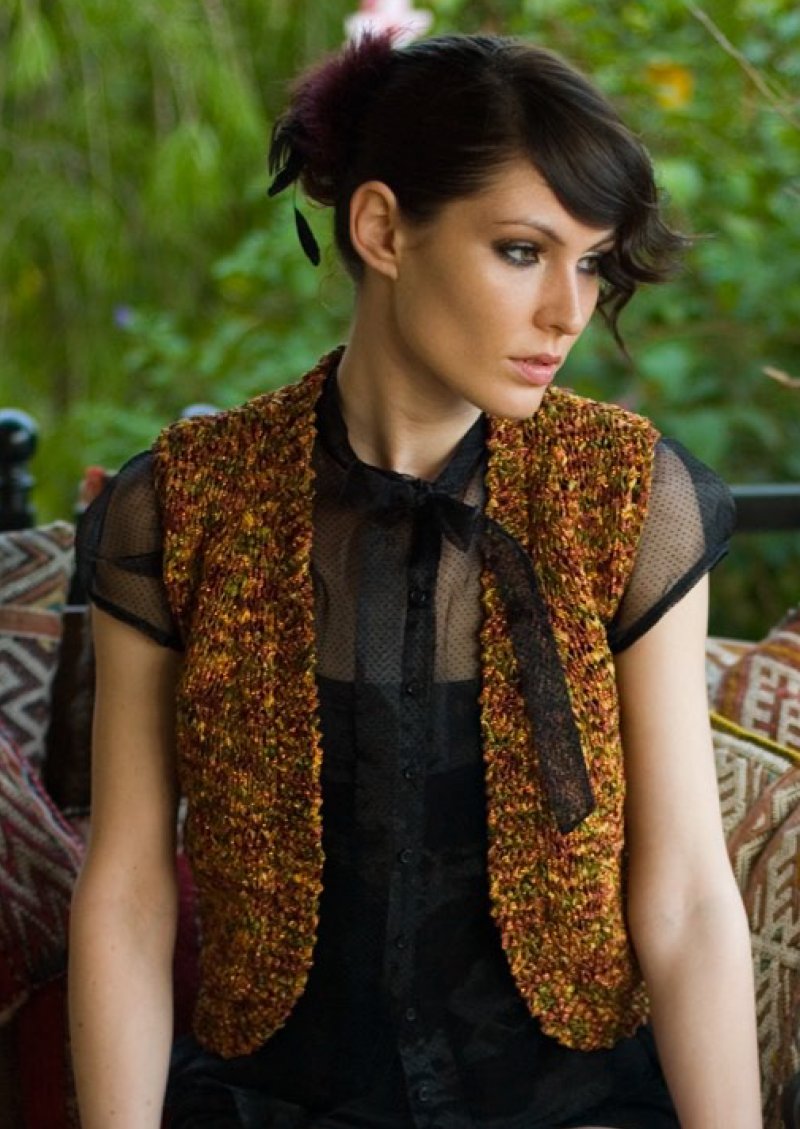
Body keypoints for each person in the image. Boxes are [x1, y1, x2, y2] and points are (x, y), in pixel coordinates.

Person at [68, 30, 763, 1129]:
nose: (567, 312)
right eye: (523, 251)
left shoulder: (625, 494)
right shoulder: (187, 504)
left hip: (567, 1105)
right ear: (382, 229)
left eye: (590, 262)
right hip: (271, 1102)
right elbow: (127, 890)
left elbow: (681, 892)